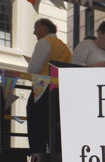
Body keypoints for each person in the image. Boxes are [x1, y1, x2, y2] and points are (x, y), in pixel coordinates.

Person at [26, 18, 72, 153]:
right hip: (59, 91)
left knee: (36, 125)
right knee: (54, 126)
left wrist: (30, 65)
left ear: (45, 28)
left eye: (36, 28)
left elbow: (33, 69)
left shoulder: (44, 42)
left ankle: (38, 159)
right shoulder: (64, 47)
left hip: (42, 88)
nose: (34, 32)